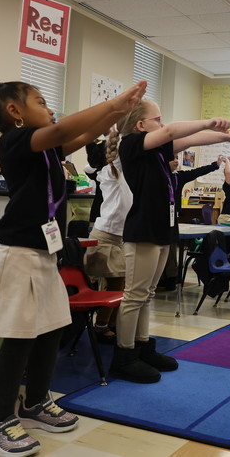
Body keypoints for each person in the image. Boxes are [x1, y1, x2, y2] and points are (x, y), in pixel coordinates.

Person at [0, 79, 147, 456]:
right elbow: (64, 129)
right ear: (15, 112)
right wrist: (113, 101)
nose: (50, 109)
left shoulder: (46, 152)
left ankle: (33, 404)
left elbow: (81, 134)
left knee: (50, 329)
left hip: (44, 254)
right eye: (41, 102)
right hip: (16, 255)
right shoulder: (14, 142)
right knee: (17, 338)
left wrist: (116, 112)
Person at [112, 100, 230, 384]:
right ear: (140, 125)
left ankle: (143, 346)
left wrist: (227, 137)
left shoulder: (158, 151)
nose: (163, 124)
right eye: (157, 119)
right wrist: (209, 120)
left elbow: (189, 139)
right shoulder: (132, 145)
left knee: (148, 294)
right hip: (143, 231)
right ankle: (124, 356)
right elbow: (174, 130)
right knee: (135, 296)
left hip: (163, 229)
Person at [82, 135, 132, 345]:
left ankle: (108, 323)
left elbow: (88, 167)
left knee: (119, 282)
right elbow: (91, 165)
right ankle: (101, 326)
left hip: (116, 235)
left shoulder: (108, 172)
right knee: (115, 283)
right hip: (106, 235)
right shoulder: (111, 172)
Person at [156, 154, 227, 291]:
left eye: (178, 158)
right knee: (159, 251)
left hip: (172, 219)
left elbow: (196, 172)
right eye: (173, 159)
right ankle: (160, 278)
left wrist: (214, 166)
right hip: (158, 219)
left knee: (170, 250)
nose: (176, 161)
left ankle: (171, 278)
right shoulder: (157, 175)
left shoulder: (178, 176)